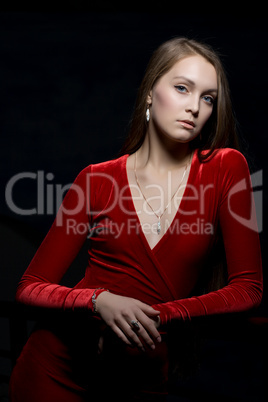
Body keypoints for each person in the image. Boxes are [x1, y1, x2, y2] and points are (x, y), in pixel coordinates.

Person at [9, 37, 263, 401]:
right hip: (55, 371)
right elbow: (30, 287)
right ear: (149, 92)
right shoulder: (96, 179)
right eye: (181, 88)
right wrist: (99, 301)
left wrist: (158, 317)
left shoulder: (224, 168)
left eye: (208, 98)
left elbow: (248, 288)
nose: (194, 107)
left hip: (137, 373)